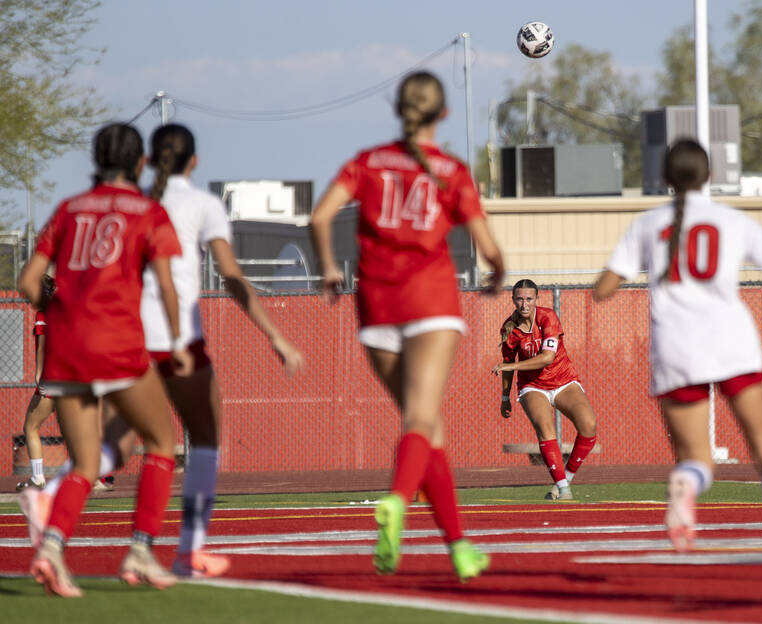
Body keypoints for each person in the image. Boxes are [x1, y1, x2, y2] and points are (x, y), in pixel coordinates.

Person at [26, 123, 306, 579]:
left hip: (116, 338)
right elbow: (229, 277)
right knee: (197, 438)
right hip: (166, 341)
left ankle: (52, 495)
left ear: (150, 162)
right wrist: (272, 334)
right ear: (192, 161)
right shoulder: (187, 205)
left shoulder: (109, 206)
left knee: (113, 444)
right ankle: (183, 550)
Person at [309, 70, 505, 582]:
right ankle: (396, 501)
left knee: (428, 428)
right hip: (431, 301)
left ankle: (460, 546)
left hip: (376, 305)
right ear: (443, 114)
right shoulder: (451, 171)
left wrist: (328, 267)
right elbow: (488, 247)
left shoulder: (368, 161)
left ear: (399, 109)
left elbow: (319, 216)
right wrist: (499, 273)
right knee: (421, 420)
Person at [592, 139, 762, 568]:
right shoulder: (730, 219)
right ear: (709, 176)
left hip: (676, 347)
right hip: (733, 344)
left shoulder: (648, 224)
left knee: (695, 461)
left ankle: (685, 489)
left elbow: (603, 290)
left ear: (665, 180)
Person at [18, 122, 191, 597]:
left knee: (85, 463)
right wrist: (177, 341)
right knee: (159, 441)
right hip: (116, 344)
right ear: (141, 163)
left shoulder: (69, 210)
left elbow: (28, 283)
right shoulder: (148, 211)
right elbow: (167, 283)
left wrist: (60, 307)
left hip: (67, 346)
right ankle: (140, 550)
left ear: (96, 161)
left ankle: (51, 550)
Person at [492, 279, 598, 500]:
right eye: (520, 298)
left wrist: (512, 365)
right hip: (533, 386)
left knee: (589, 425)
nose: (524, 304)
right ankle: (564, 490)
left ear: (537, 299)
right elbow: (507, 366)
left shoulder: (547, 317)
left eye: (529, 298)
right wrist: (505, 396)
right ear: (513, 300)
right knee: (545, 428)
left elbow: (547, 358)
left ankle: (565, 478)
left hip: (563, 379)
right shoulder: (509, 329)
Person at [16, 274, 57, 492]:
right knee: (74, 431)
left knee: (30, 427)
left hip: (52, 379)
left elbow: (43, 347)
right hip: (72, 379)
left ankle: (38, 478)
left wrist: (39, 374)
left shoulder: (44, 314)